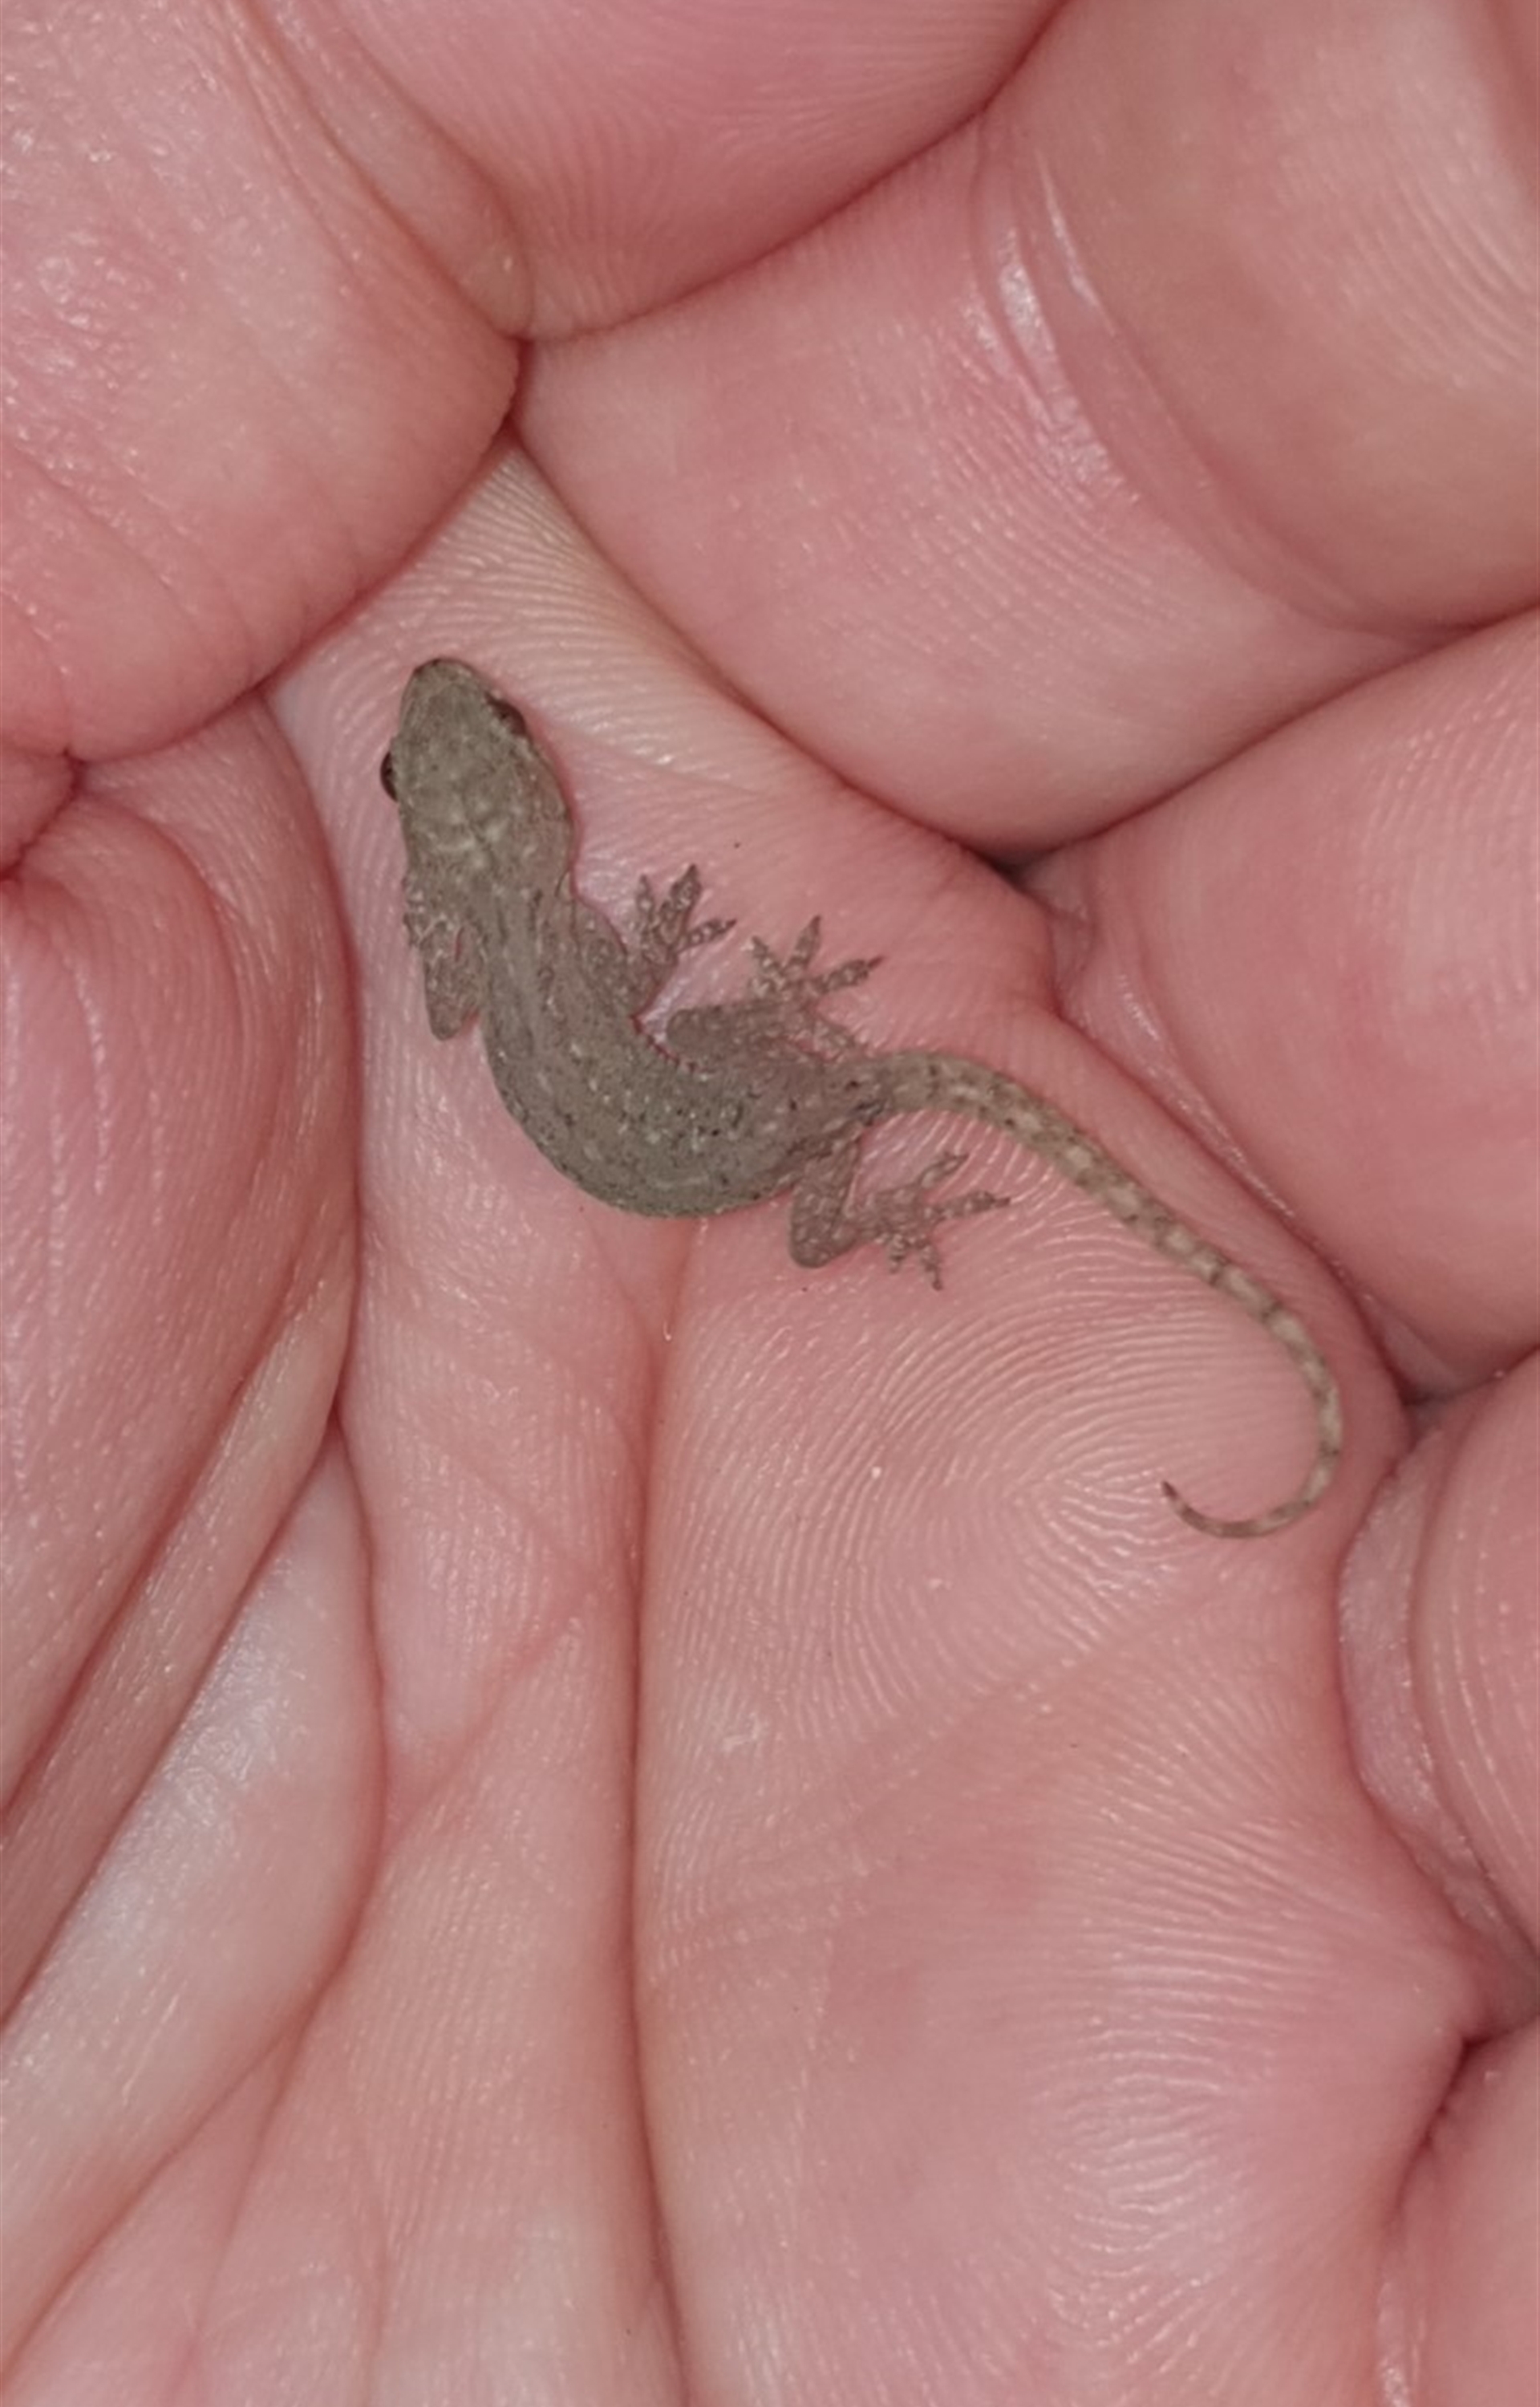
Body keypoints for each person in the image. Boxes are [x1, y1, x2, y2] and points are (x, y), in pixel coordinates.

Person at [3, 3, 1534, 2397]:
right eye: (480, 757)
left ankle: (917, 1191)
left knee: (843, 1120)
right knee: (849, 1107)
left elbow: (490, 1008)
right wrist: (760, 1038)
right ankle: (916, 1175)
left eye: (483, 751)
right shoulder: (540, 933)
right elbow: (572, 985)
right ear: (504, 819)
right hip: (737, 1118)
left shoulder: (475, 951)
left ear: (476, 837)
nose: (482, 756)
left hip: (736, 1143)